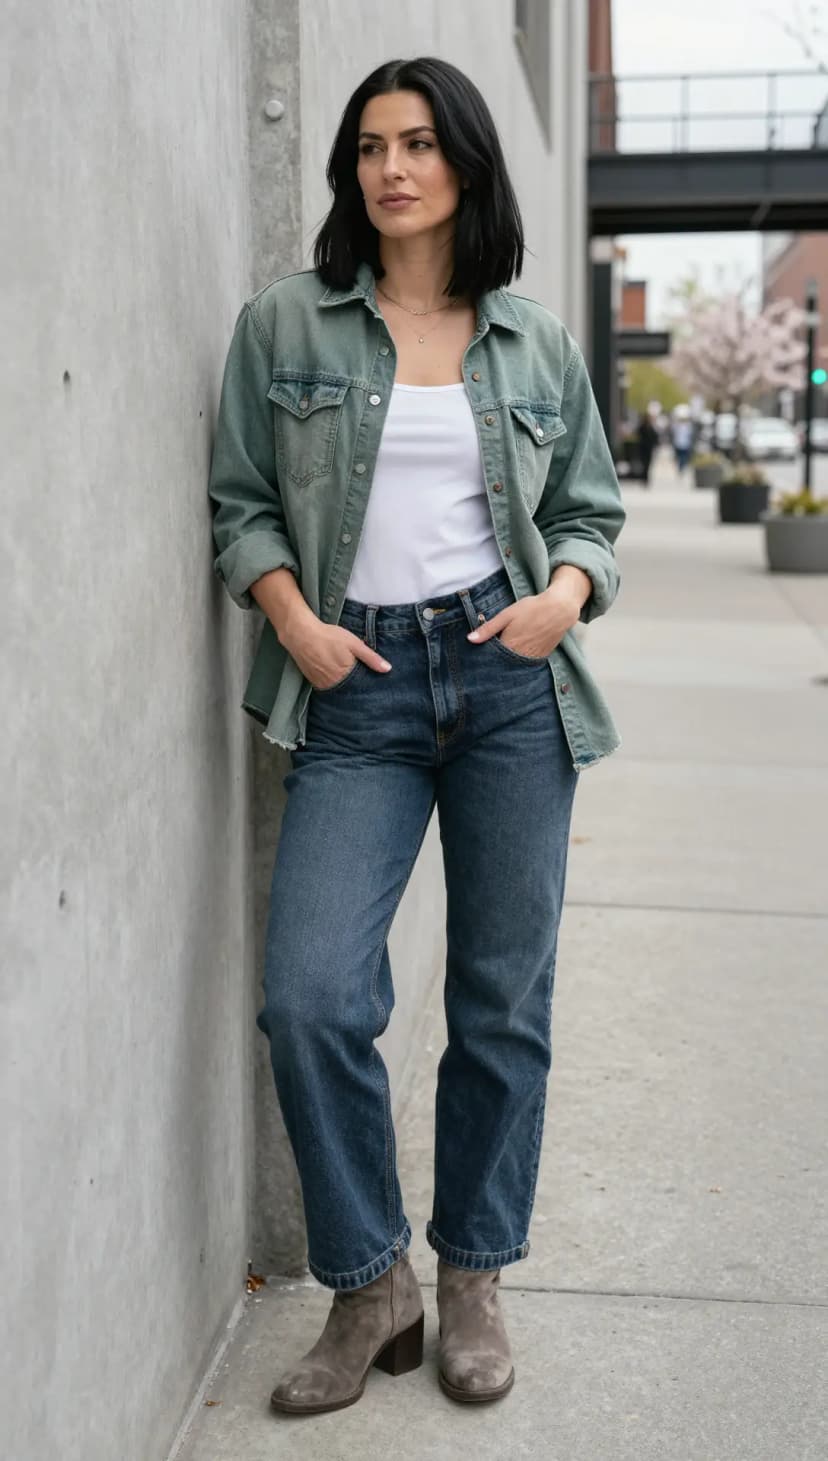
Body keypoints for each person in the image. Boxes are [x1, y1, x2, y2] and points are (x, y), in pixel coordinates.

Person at [208, 56, 625, 1416]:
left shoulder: (535, 341)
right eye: (372, 146)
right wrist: (293, 618)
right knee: (313, 996)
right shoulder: (288, 327)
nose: (392, 167)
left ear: (467, 165)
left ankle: (475, 1276)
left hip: (510, 683)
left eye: (420, 144)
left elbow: (590, 514)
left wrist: (561, 598)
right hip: (359, 686)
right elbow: (242, 502)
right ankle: (369, 1278)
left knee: (503, 1000)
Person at [636, 409, 659, 485]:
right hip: (644, 448)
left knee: (647, 464)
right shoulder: (642, 427)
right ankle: (644, 478)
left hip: (648, 448)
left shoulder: (650, 427)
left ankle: (645, 478)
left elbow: (655, 437)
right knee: (645, 464)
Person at [670, 407, 695, 474]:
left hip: (684, 444)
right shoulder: (683, 426)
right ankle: (681, 467)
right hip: (680, 443)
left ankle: (681, 467)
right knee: (681, 457)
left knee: (682, 457)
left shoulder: (687, 426)